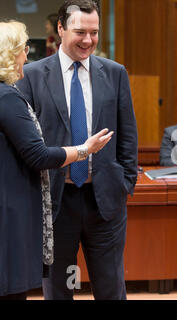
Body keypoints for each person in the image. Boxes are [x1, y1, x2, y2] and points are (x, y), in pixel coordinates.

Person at [17, 0, 138, 300]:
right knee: (59, 290)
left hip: (105, 202)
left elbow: (128, 136)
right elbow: (24, 141)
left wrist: (125, 183)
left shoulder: (115, 73)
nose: (88, 40)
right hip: (56, 202)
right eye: (80, 31)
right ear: (60, 28)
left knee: (111, 290)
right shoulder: (31, 75)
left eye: (94, 33)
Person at [0, 20, 113, 300]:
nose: (28, 55)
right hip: (13, 210)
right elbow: (37, 154)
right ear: (10, 53)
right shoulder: (7, 99)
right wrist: (84, 150)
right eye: (24, 49)